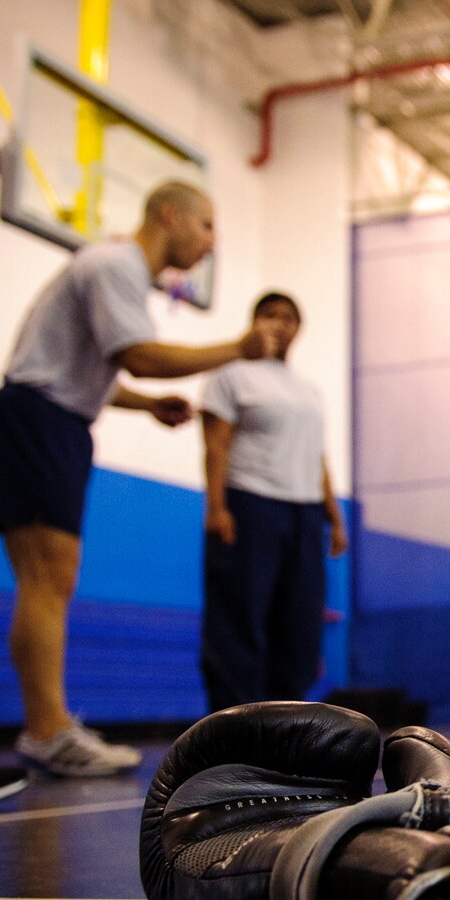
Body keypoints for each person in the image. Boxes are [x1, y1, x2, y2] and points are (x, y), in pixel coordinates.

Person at [0, 181, 270, 776]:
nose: (213, 242)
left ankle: (47, 727)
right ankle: (47, 731)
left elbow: (95, 369)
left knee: (52, 580)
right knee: (46, 579)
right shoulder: (116, 263)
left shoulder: (114, 269)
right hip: (37, 421)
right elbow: (141, 356)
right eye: (206, 225)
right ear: (169, 214)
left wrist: (145, 406)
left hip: (53, 421)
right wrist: (237, 347)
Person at [199, 292, 348, 712]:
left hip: (304, 515)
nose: (279, 324)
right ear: (254, 322)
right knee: (239, 618)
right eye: (270, 316)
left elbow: (319, 457)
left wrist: (334, 517)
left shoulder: (309, 391)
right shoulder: (232, 375)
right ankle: (234, 723)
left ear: (298, 329)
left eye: (288, 318)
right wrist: (216, 506)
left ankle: (286, 722)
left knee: (299, 623)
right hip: (250, 505)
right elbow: (216, 444)